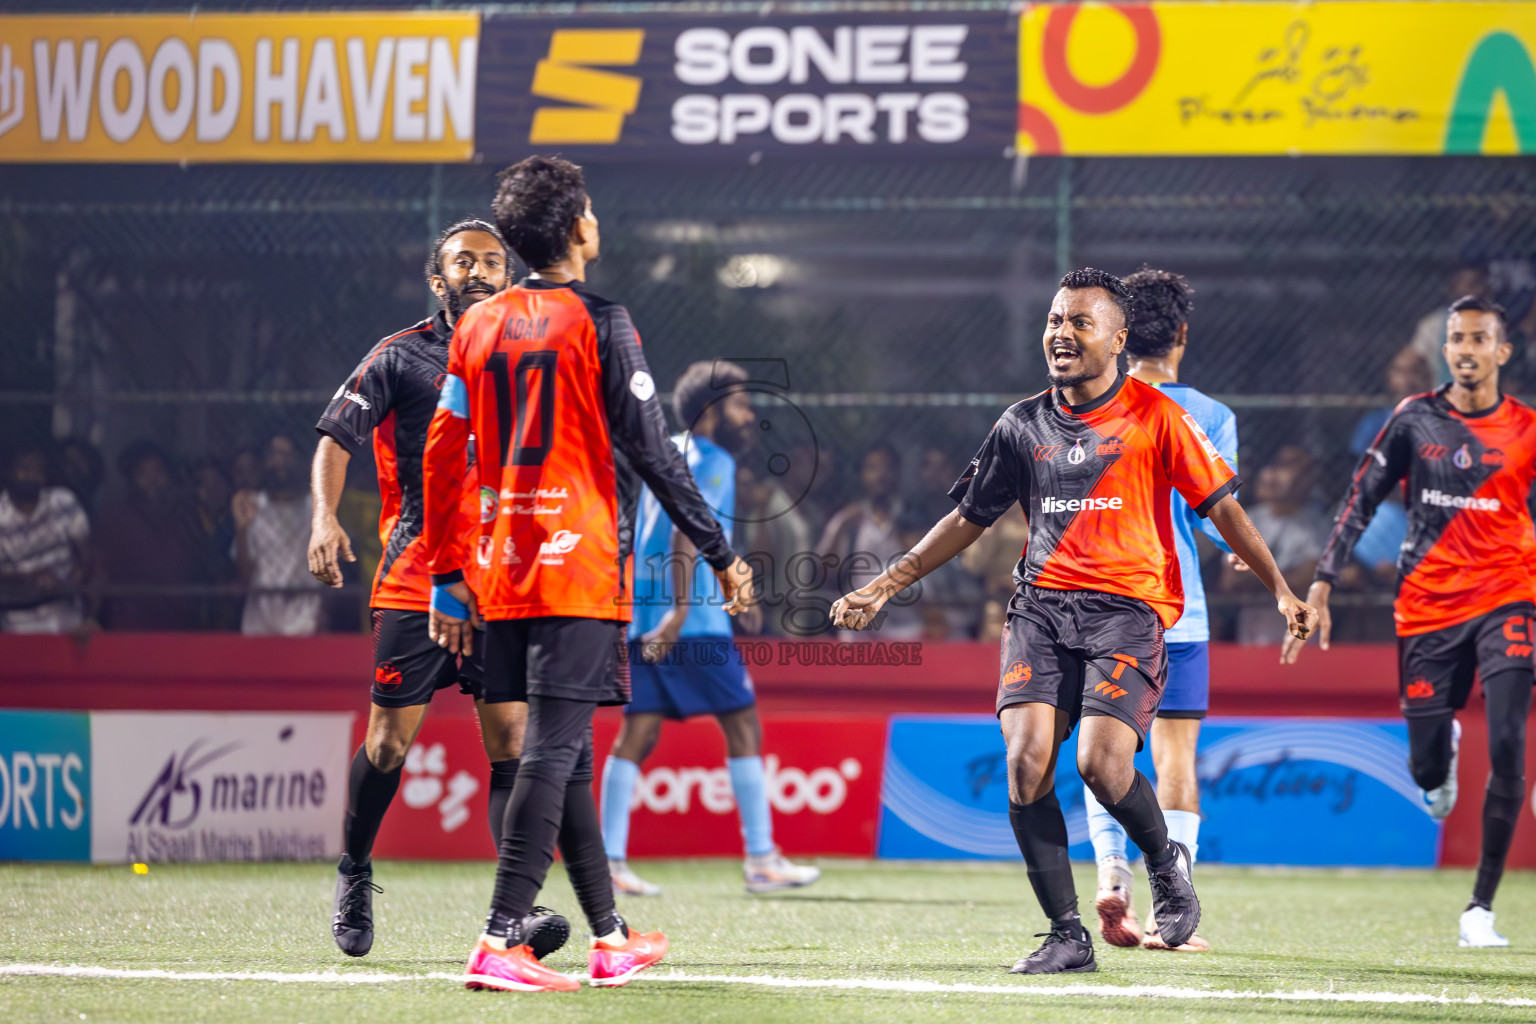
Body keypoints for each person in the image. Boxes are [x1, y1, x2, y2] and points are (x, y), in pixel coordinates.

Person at [830, 268, 1315, 975]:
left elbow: (1223, 508)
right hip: (1039, 612)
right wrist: (887, 583)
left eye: (1078, 322)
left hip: (1128, 611)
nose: (1061, 333)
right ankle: (1067, 934)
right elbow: (969, 517)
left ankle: (1164, 867)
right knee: (1026, 765)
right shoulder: (1020, 424)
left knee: (1098, 762)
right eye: (1055, 320)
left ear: (1118, 339)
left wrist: (1279, 587)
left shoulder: (1159, 416)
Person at [421, 156, 754, 993]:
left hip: (500, 568)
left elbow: (442, 455)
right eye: (592, 212)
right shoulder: (602, 321)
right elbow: (650, 449)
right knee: (558, 748)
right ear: (577, 231)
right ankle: (501, 937)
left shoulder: (478, 324)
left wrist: (446, 574)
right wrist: (720, 551)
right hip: (575, 567)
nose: (597, 222)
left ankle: (608, 934)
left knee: (565, 759)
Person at [308, 219, 539, 959]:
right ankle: (354, 868)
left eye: (492, 261)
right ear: (438, 281)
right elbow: (335, 438)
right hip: (419, 579)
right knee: (387, 742)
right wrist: (323, 518)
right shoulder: (400, 356)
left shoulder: (530, 351)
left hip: (503, 582)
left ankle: (514, 915)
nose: (479, 270)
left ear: (510, 276)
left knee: (510, 744)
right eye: (462, 261)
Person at [1285, 295, 1536, 949]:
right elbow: (1360, 500)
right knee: (1428, 771)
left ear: (1502, 352)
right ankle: (1438, 753)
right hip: (1427, 605)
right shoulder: (1413, 419)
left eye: (1479, 338)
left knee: (1510, 737)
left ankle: (1479, 908)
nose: (1465, 348)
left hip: (1509, 594)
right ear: (1444, 348)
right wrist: (1323, 581)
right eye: (1456, 337)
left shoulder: (1527, 431)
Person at [602, 360, 819, 898]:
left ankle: (607, 861)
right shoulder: (714, 458)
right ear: (712, 410)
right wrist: (681, 613)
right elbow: (685, 530)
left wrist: (731, 580)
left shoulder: (669, 450)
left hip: (644, 616)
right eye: (741, 405)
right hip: (688, 623)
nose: (748, 416)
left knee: (637, 735)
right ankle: (762, 859)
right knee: (743, 725)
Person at [1078, 267, 1235, 954]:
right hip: (1182, 616)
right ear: (1181, 335)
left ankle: (1113, 878)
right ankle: (1177, 915)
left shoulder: (1088, 403)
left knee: (1103, 750)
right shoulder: (1211, 414)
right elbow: (1213, 515)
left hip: (1099, 605)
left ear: (1118, 333)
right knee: (1176, 757)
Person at [1220, 445, 1329, 645]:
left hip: (1298, 632)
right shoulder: (1248, 518)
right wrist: (1279, 581)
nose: (1272, 475)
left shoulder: (1315, 526)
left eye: (1290, 467)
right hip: (1253, 632)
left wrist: (1258, 578)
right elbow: (1230, 579)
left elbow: (1309, 575)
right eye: (1276, 465)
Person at [819, 443, 921, 639]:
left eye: (886, 467)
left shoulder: (912, 516)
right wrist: (841, 530)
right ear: (861, 475)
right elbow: (824, 575)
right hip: (858, 629)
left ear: (897, 472)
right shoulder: (848, 520)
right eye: (872, 468)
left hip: (906, 629)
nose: (881, 475)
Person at [97, 440, 201, 630]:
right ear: (131, 478)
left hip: (179, 626)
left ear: (169, 476)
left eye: (158, 470)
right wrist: (93, 618)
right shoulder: (115, 519)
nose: (152, 478)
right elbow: (100, 571)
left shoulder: (187, 518)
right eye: (142, 473)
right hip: (129, 625)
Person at [233, 435, 321, 636]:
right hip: (259, 625)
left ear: (299, 460)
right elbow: (245, 575)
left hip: (305, 624)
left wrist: (322, 616)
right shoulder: (252, 506)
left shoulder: (316, 507)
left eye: (286, 455)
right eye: (273, 455)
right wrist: (241, 529)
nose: (279, 462)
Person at [0, 446, 91, 634]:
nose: (33, 475)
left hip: (69, 618)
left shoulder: (62, 500)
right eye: (24, 468)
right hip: (20, 626)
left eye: (39, 469)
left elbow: (88, 552)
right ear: (7, 472)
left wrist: (81, 570)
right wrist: (30, 577)